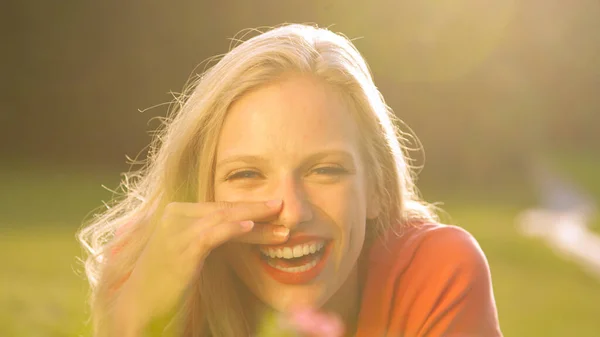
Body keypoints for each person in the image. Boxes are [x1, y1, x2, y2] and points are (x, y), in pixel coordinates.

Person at [78, 24, 502, 337]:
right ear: (199, 194)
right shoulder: (147, 267)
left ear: (377, 188)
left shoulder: (435, 272)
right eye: (246, 174)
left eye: (325, 170)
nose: (292, 212)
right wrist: (132, 322)